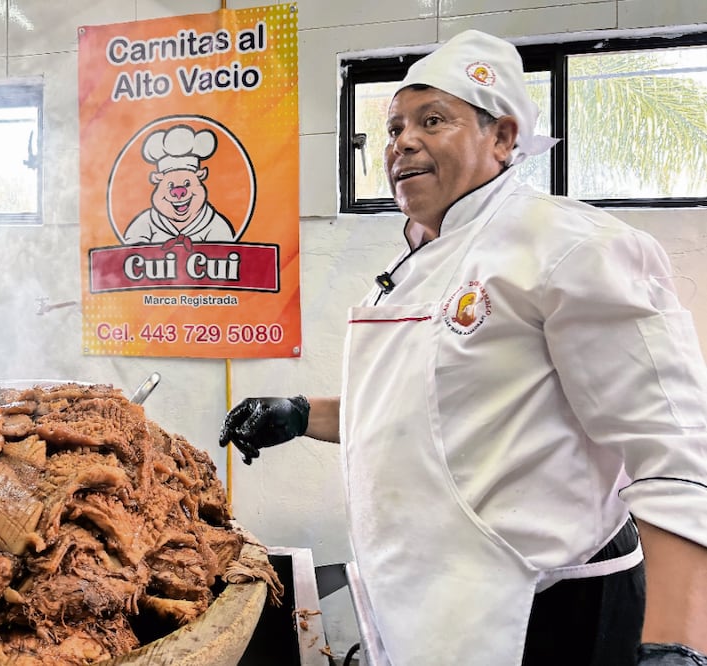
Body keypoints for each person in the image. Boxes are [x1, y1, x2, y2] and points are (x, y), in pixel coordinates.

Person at [219, 29, 707, 666]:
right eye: (393, 128)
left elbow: (673, 449)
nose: (403, 142)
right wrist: (302, 412)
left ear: (502, 138)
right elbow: (438, 411)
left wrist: (677, 642)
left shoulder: (568, 244)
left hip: (546, 611)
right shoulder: (419, 258)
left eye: (433, 120)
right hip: (427, 599)